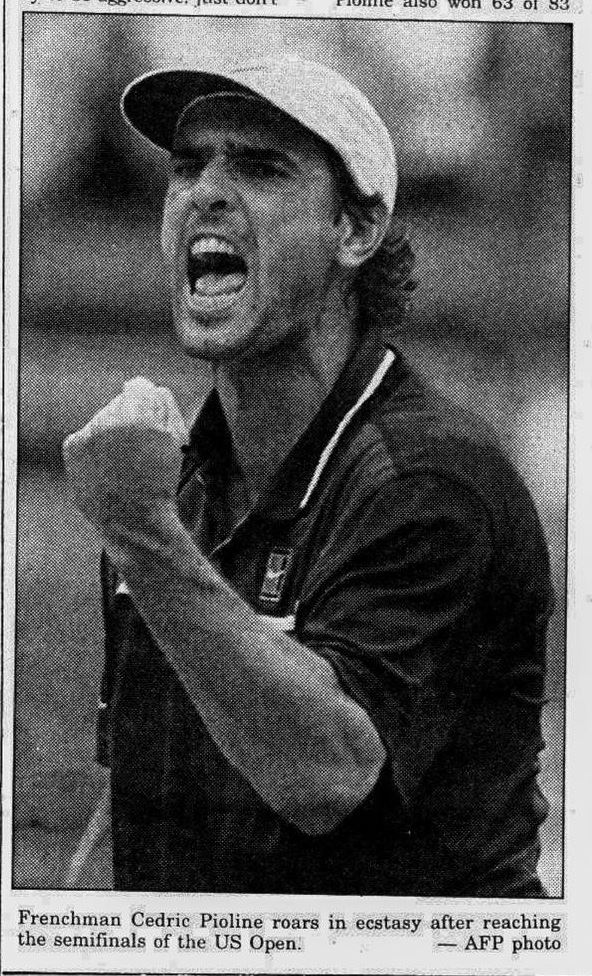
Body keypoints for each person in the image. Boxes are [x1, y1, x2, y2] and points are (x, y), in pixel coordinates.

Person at [63, 57, 554, 895]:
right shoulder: (164, 481)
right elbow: (137, 805)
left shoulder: (432, 483)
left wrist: (142, 534)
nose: (205, 194)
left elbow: (328, 778)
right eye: (187, 166)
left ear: (355, 232)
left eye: (260, 168)